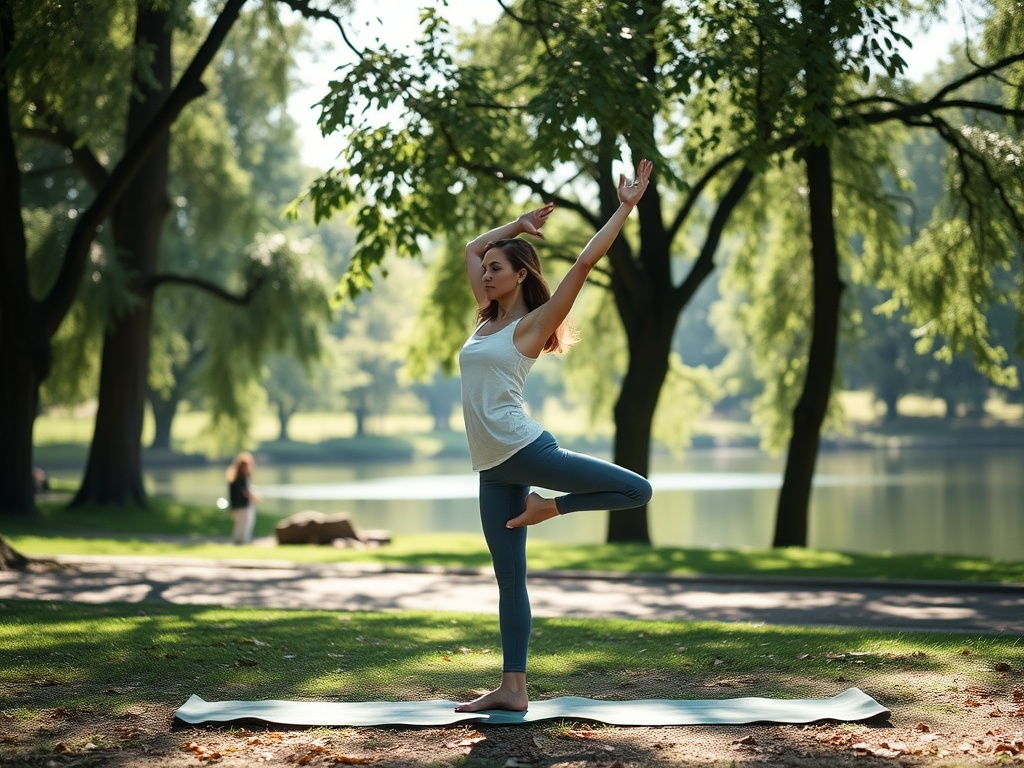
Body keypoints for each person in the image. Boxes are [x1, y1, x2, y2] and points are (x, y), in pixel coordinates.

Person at [455, 159, 655, 713]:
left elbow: (587, 260)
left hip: (527, 450)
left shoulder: (532, 324)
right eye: (488, 269)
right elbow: (471, 248)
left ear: (521, 275)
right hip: (491, 467)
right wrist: (516, 226)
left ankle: (552, 511)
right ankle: (513, 689)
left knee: (637, 490)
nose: (488, 272)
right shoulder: (485, 320)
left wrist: (625, 207)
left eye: (499, 268)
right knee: (508, 579)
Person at [226, 452, 260, 545]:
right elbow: (246, 492)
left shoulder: (234, 478)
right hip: (242, 507)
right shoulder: (241, 478)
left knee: (239, 527)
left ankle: (239, 543)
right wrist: (255, 498)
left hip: (235, 507)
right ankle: (241, 543)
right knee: (244, 528)